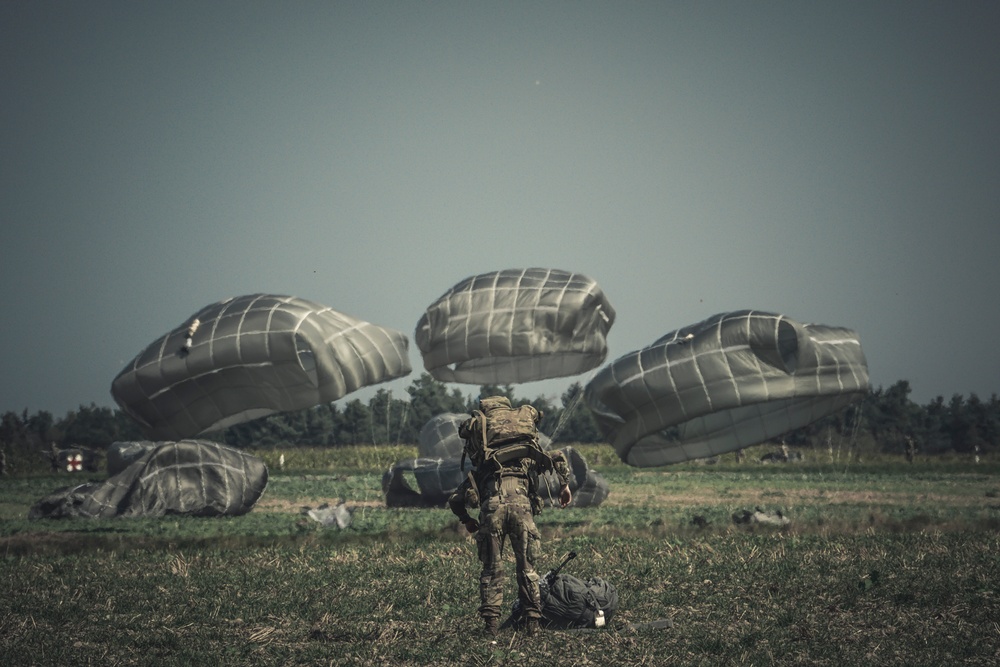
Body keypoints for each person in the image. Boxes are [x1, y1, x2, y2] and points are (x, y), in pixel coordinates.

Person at [448, 396, 572, 637]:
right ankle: (533, 625)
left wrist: (467, 520)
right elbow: (557, 457)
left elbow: (455, 500)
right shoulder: (527, 457)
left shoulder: (484, 466)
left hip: (492, 508)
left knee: (492, 570)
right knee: (527, 569)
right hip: (522, 509)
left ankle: (490, 628)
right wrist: (564, 485)